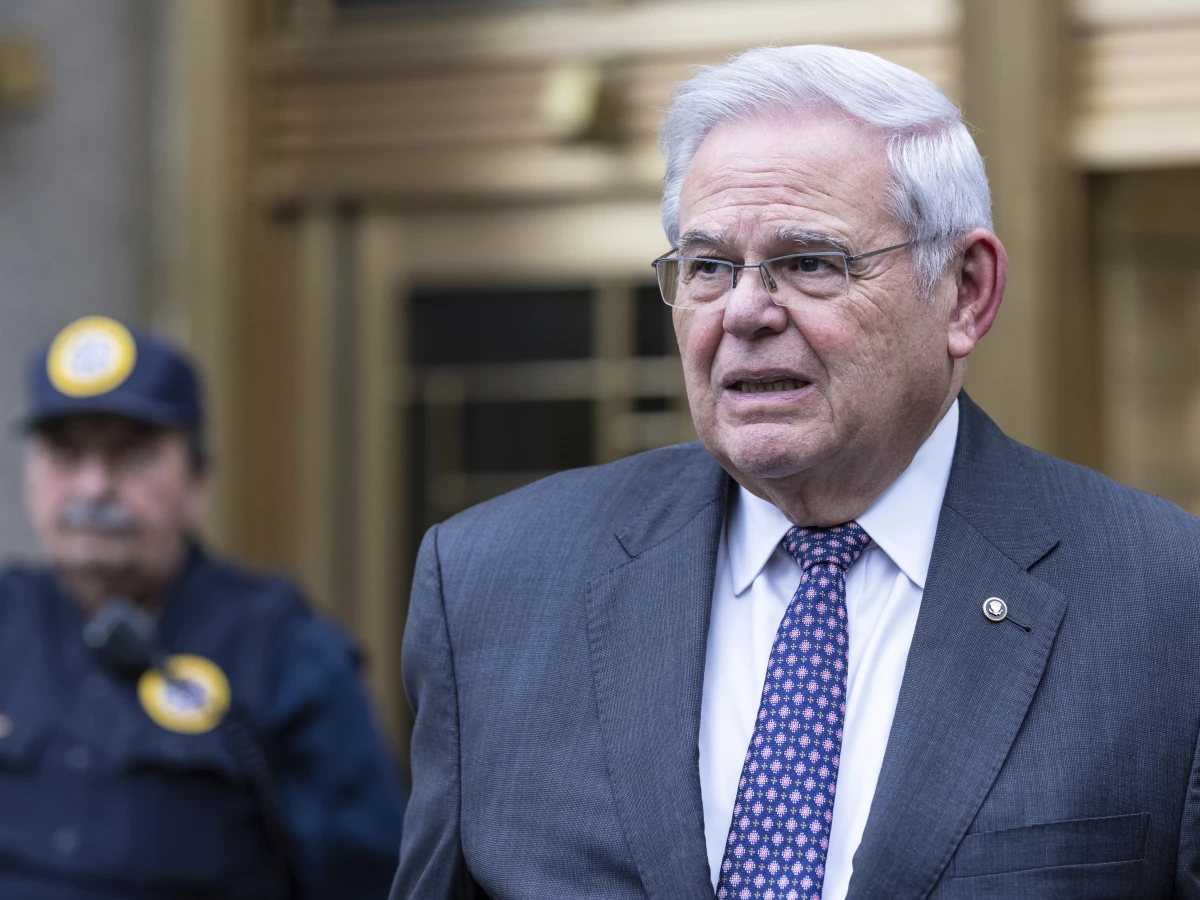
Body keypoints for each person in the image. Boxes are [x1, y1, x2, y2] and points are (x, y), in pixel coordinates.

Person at [392, 44, 1200, 900]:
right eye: (707, 266)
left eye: (811, 262)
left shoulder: (1166, 602)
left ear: (965, 291)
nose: (743, 312)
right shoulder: (492, 587)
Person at [0, 316, 405, 899]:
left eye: (130, 455)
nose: (92, 488)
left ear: (197, 482)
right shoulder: (9, 619)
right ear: (29, 477)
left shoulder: (283, 647)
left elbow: (368, 878)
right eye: (65, 455)